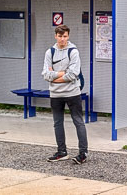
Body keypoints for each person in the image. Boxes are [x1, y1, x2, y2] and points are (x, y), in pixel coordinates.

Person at [42, 25, 88, 164]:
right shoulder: (49, 52)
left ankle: (83, 153)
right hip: (55, 94)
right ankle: (61, 152)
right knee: (57, 123)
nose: (62, 39)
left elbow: (74, 73)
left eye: (65, 36)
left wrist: (55, 78)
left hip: (72, 92)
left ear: (68, 36)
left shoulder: (73, 52)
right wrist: (63, 73)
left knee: (78, 121)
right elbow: (45, 74)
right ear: (56, 36)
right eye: (60, 36)